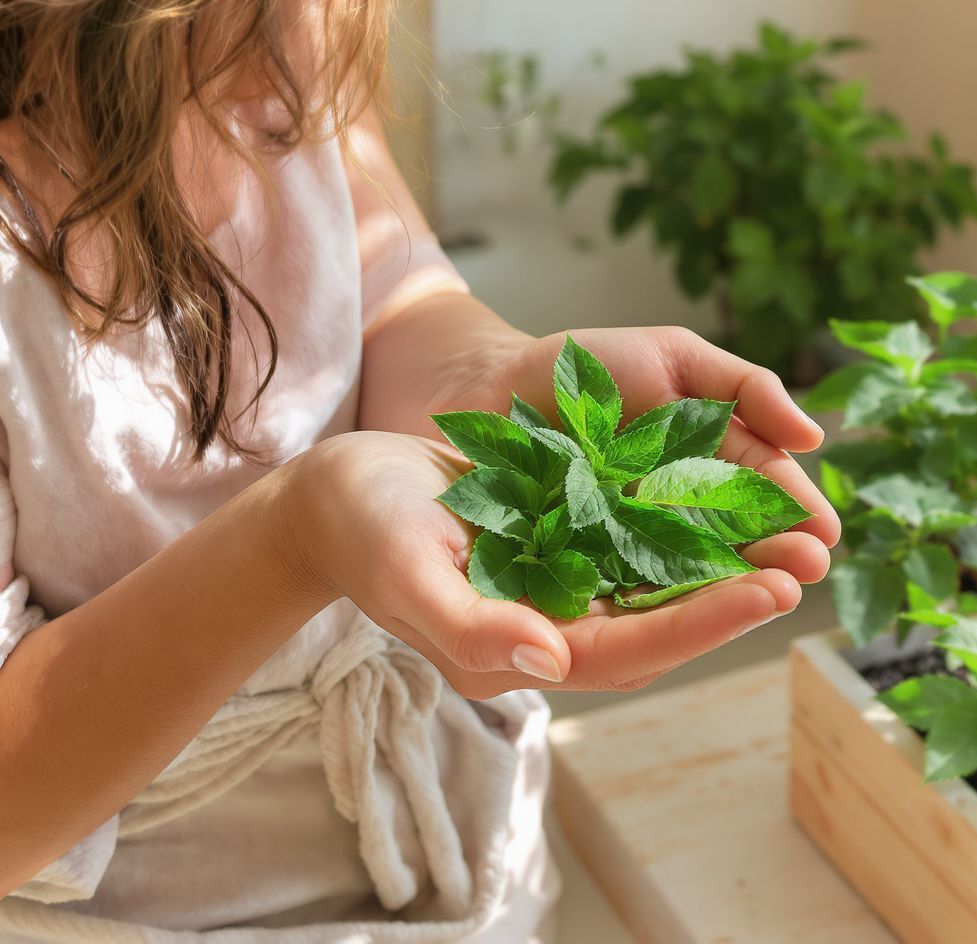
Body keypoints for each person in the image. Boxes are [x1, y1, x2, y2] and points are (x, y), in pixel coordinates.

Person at [0, 1, 838, 940]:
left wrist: (495, 381)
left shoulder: (285, 46)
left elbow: (391, 295)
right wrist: (294, 540)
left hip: (452, 825)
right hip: (169, 907)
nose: (289, 55)